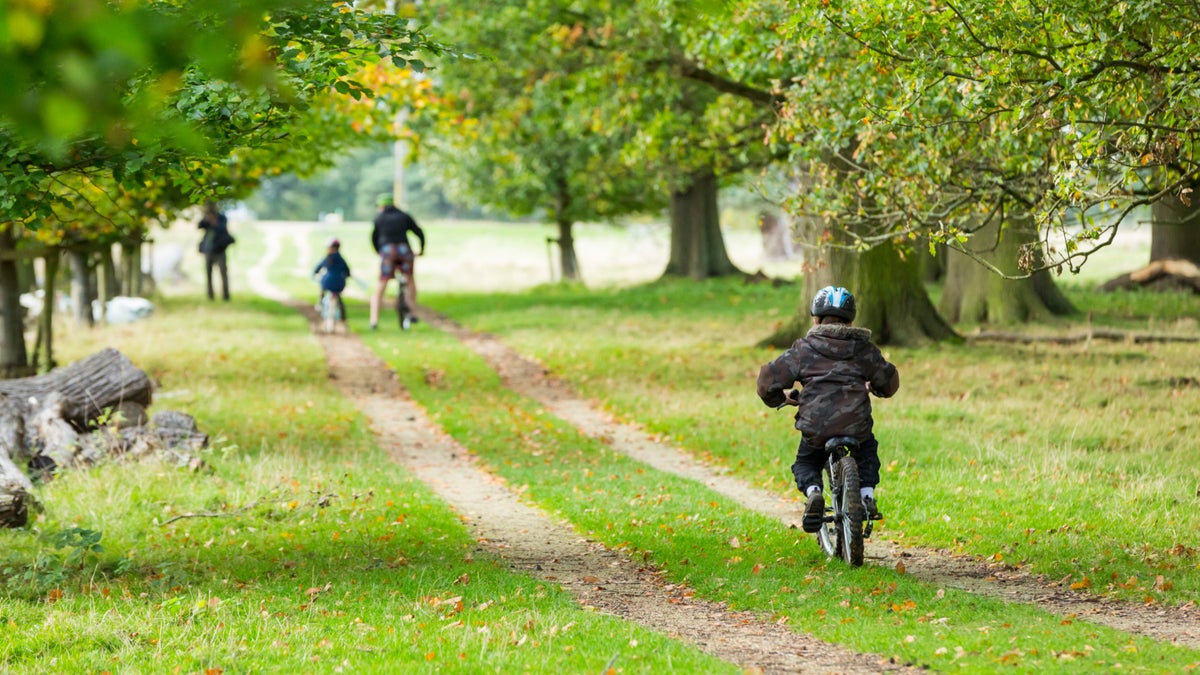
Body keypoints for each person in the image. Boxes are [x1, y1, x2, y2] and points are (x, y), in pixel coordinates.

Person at [756, 286, 900, 533]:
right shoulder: (863, 349)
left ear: (815, 318)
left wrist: (779, 398)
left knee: (807, 461)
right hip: (856, 423)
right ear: (851, 320)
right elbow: (888, 380)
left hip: (816, 424)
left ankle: (813, 492)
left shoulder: (804, 349)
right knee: (866, 452)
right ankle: (866, 495)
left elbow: (767, 380)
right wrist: (876, 389)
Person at [369, 193, 425, 330]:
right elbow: (419, 232)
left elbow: (374, 238)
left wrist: (379, 251)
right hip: (404, 251)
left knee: (382, 282)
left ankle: (374, 320)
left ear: (381, 206)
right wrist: (422, 249)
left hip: (388, 252)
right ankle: (412, 312)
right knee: (410, 279)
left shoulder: (379, 218)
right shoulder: (404, 216)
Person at [198, 202, 235, 301]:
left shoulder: (222, 218)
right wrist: (207, 218)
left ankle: (226, 296)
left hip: (220, 250)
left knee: (223, 273)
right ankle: (210, 296)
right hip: (209, 250)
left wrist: (214, 222)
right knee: (208, 274)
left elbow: (221, 229)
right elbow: (199, 225)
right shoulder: (206, 218)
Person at [313, 238, 352, 323]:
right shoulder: (341, 259)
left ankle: (320, 303)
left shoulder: (327, 258)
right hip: (339, 283)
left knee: (323, 288)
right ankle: (343, 317)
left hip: (327, 282)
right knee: (339, 298)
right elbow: (347, 271)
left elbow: (317, 268)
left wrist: (314, 274)